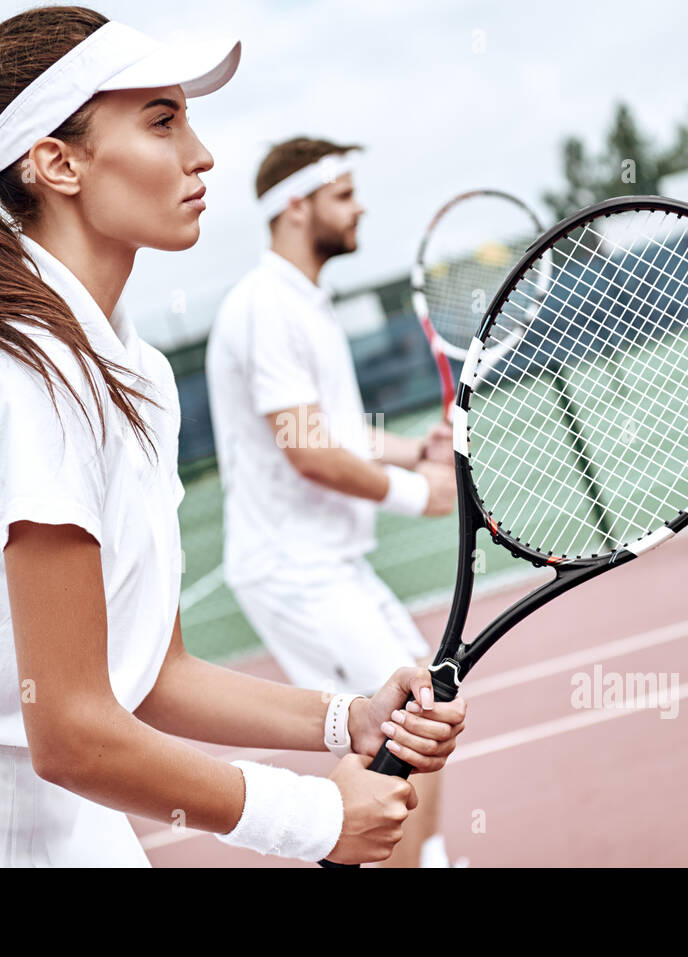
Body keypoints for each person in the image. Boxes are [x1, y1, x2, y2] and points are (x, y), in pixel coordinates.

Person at [0, 8, 466, 868]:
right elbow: (71, 730)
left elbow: (153, 674)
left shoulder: (127, 366)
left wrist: (347, 718)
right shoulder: (27, 374)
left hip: (62, 821)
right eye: (162, 120)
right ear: (56, 162)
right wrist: (314, 816)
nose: (202, 152)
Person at [205, 137, 461, 867]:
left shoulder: (302, 303)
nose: (361, 206)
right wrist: (420, 493)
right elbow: (308, 449)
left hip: (330, 561)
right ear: (295, 206)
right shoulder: (265, 307)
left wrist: (414, 449)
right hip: (293, 568)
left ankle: (427, 858)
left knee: (425, 711)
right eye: (343, 193)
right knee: (398, 731)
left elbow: (335, 430)